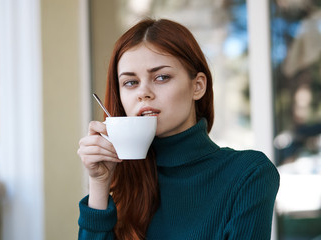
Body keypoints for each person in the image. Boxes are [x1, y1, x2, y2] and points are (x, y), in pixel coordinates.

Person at [77, 18, 280, 240]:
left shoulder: (249, 174)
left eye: (161, 77)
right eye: (130, 82)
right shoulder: (125, 182)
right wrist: (99, 184)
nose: (143, 92)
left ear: (198, 86)